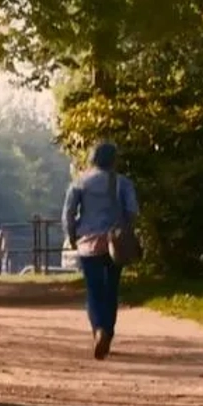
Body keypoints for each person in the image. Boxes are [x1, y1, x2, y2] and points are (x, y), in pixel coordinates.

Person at [62, 140, 139, 361]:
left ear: (92, 158)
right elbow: (132, 211)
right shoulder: (122, 183)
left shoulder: (80, 183)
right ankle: (108, 330)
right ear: (114, 159)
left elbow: (68, 213)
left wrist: (72, 236)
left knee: (94, 290)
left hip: (88, 243)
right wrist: (124, 227)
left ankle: (98, 330)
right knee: (111, 289)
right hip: (115, 243)